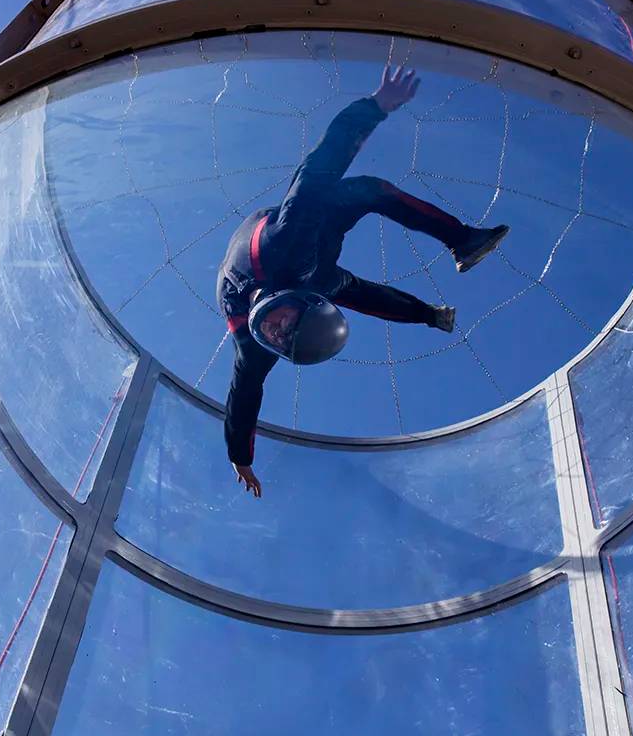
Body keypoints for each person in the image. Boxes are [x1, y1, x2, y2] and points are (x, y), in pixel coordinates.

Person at [216, 64, 509, 497]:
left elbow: (244, 395)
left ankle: (460, 245)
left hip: (283, 248)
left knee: (360, 193)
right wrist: (429, 315)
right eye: (286, 330)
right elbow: (367, 294)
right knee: (363, 214)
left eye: (278, 334)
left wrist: (239, 454)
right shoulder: (310, 273)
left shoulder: (259, 322)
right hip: (305, 258)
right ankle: (455, 257)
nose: (276, 330)